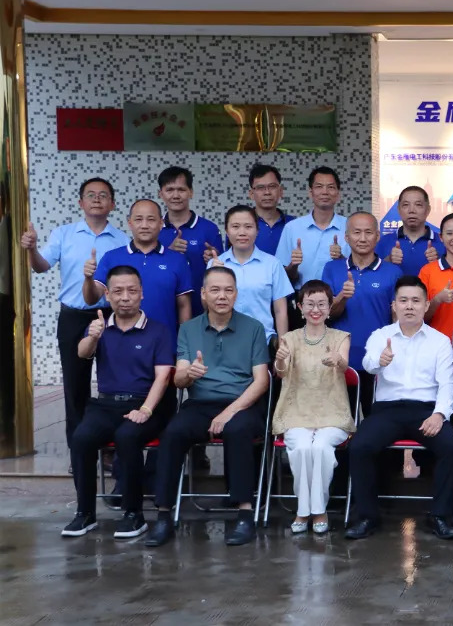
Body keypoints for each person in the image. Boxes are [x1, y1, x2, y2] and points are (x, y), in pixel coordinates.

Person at [145, 267, 270, 547]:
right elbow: (178, 379)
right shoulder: (188, 329)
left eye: (228, 290)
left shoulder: (254, 328)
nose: (222, 296)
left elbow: (261, 381)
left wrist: (229, 412)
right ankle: (163, 515)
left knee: (238, 430)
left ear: (236, 294)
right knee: (173, 432)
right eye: (215, 290)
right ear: (203, 294)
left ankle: (244, 514)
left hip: (242, 403)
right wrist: (189, 374)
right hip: (200, 403)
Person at [20, 177, 128, 463]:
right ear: (81, 202)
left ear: (112, 204)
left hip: (110, 315)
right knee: (75, 385)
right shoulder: (64, 234)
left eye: (103, 195)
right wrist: (31, 249)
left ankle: (110, 449)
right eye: (90, 195)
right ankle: (80, 453)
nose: (97, 199)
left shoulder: (122, 240)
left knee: (114, 383)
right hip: (72, 317)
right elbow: (41, 267)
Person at [62, 266, 174, 539]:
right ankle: (85, 513)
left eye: (132, 291)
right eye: (118, 291)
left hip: (146, 404)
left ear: (141, 294)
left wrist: (146, 409)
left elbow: (163, 377)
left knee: (127, 437)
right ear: (108, 295)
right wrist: (92, 336)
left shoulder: (158, 331)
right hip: (106, 405)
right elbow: (82, 353)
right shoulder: (100, 326)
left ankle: (134, 514)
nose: (125, 297)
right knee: (81, 438)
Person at [349, 275, 453, 540]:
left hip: (426, 410)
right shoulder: (381, 336)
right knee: (360, 446)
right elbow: (367, 365)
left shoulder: (440, 341)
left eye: (416, 301)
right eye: (403, 300)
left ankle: (440, 516)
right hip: (388, 410)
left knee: (451, 445)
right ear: (394, 305)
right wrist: (380, 360)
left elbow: (447, 384)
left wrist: (439, 414)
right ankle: (367, 516)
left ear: (426, 305)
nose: (409, 306)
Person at [271, 280, 354, 535]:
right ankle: (303, 510)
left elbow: (344, 365)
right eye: (310, 304)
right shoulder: (289, 338)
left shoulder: (341, 337)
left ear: (329, 308)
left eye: (321, 304)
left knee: (320, 449)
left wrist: (338, 359)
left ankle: (317, 511)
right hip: (295, 411)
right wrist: (280, 360)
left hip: (333, 412)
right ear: (300, 307)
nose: (315, 310)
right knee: (302, 448)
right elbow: (281, 373)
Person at [321, 212, 403, 413]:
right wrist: (342, 297)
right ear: (347, 237)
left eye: (368, 232)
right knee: (341, 423)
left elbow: (397, 320)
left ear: (378, 236)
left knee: (376, 421)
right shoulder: (331, 269)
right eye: (357, 232)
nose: (363, 238)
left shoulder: (393, 272)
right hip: (341, 359)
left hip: (378, 360)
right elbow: (325, 315)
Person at [87, 199, 192, 343]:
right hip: (122, 344)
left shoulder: (177, 260)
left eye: (151, 219)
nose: (144, 225)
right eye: (138, 219)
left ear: (161, 223)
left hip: (165, 344)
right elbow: (91, 299)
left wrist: (184, 345)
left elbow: (184, 306)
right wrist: (88, 278)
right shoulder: (112, 257)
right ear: (130, 223)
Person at [209, 205, 290, 344]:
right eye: (235, 226)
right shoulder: (215, 264)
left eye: (248, 226)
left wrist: (283, 345)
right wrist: (213, 277)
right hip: (223, 341)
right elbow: (207, 307)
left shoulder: (272, 264)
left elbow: (280, 311)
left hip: (262, 341)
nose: (242, 232)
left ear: (257, 230)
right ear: (227, 231)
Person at [156, 166, 224, 317]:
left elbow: (223, 270)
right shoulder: (154, 228)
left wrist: (213, 260)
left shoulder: (209, 229)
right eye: (169, 190)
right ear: (160, 194)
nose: (176, 195)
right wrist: (169, 252)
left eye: (181, 189)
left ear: (191, 192)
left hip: (202, 310)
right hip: (164, 309)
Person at [276, 166, 348, 287]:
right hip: (301, 296)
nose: (325, 192)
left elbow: (360, 270)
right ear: (310, 192)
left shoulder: (350, 227)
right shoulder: (292, 228)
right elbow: (281, 277)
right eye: (319, 186)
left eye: (330, 187)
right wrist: (293, 265)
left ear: (337, 194)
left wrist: (341, 259)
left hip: (340, 296)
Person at [376, 186, 444, 276]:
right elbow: (371, 276)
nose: (412, 210)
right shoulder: (384, 241)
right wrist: (388, 260)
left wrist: (440, 261)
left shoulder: (443, 242)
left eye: (418, 205)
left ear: (428, 210)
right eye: (406, 205)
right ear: (399, 210)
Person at [248, 164, 295, 255]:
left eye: (272, 186)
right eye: (260, 187)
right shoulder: (241, 225)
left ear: (281, 191)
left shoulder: (293, 224)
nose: (267, 192)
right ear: (251, 194)